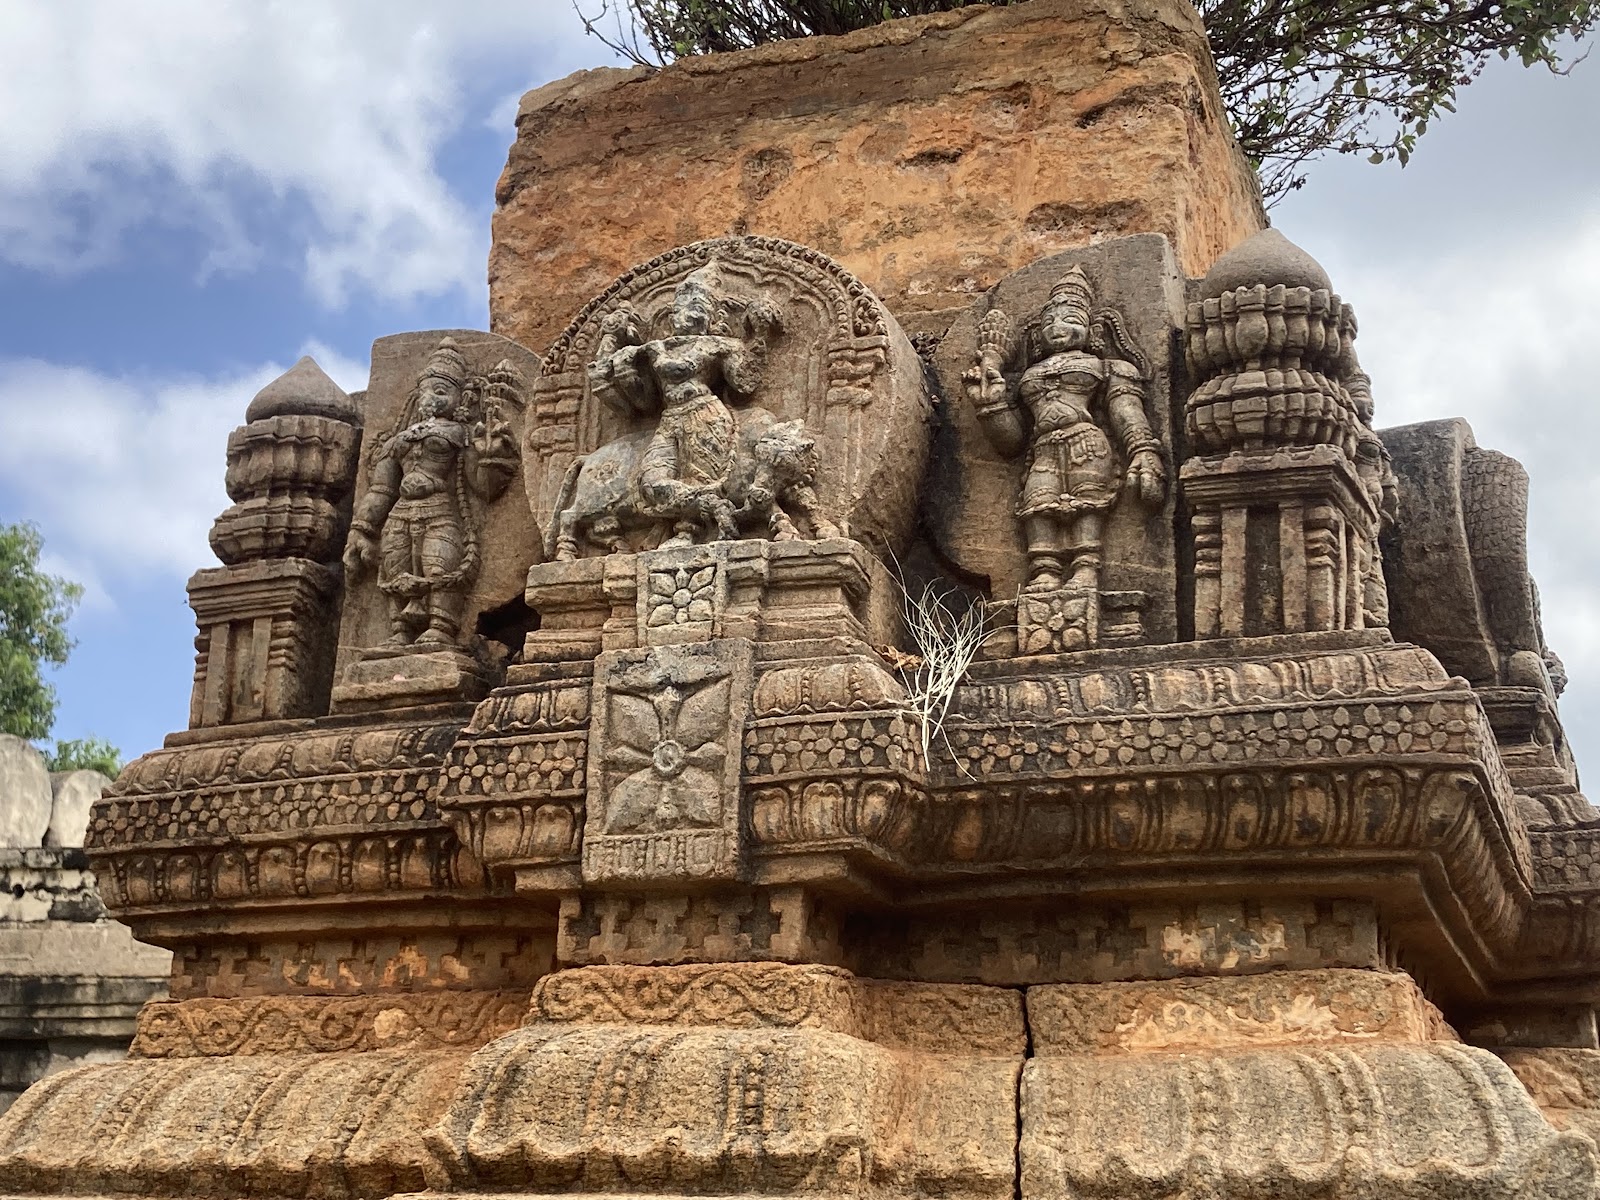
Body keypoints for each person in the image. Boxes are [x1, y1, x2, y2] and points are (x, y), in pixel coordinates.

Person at [963, 266, 1165, 593]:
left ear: (1093, 329)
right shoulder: (1030, 374)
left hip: (1087, 443)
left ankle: (1085, 569)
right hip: (1042, 448)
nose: (1057, 328)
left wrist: (1143, 451)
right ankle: (1045, 572)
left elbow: (1126, 413)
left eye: (1071, 320)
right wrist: (992, 405)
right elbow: (1012, 443)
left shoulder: (1107, 367)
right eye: (1049, 323)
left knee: (1088, 503)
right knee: (1038, 506)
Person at [587, 260, 778, 548]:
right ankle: (706, 509)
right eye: (681, 307)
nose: (687, 314)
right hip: (670, 419)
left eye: (697, 307)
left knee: (701, 476)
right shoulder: (655, 348)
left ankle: (689, 531)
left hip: (706, 415)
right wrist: (623, 366)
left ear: (711, 315)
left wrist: (759, 335)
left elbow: (744, 385)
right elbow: (642, 403)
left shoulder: (719, 345)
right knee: (650, 483)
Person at [343, 338, 517, 646]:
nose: (433, 397)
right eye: (429, 389)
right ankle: (399, 630)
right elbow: (382, 489)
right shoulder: (398, 441)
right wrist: (361, 529)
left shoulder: (460, 434)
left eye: (442, 391)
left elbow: (481, 487)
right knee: (396, 563)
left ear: (460, 397)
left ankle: (441, 627)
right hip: (400, 513)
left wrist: (491, 458)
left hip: (440, 510)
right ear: (417, 393)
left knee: (440, 564)